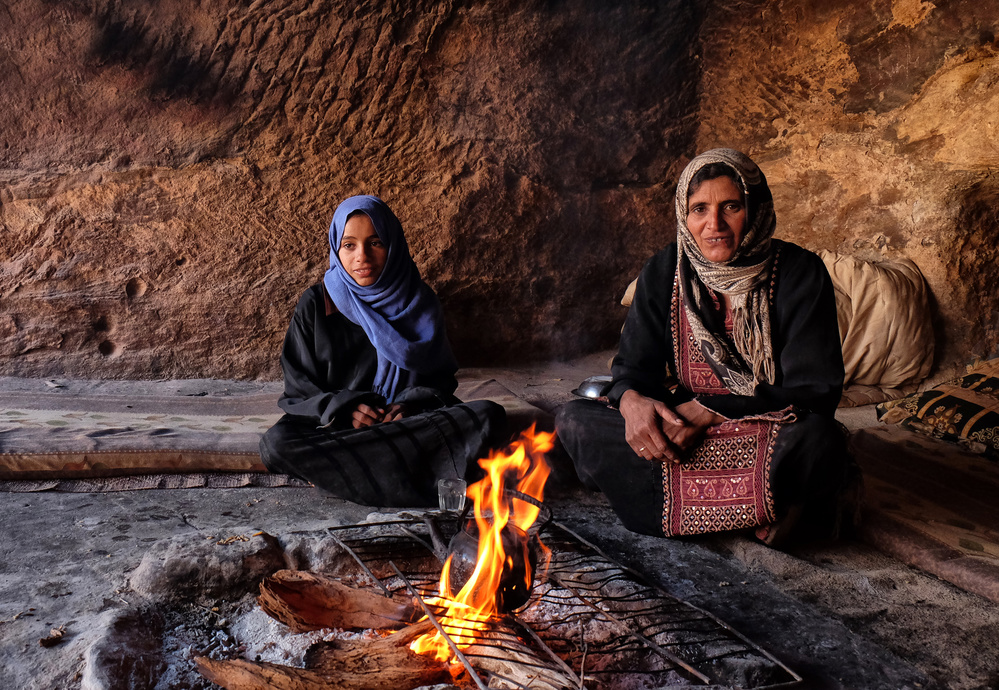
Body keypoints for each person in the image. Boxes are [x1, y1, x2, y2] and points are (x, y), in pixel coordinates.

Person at [555, 149, 849, 543]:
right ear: (683, 215)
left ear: (755, 208)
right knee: (576, 420)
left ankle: (663, 498)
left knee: (819, 440)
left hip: (760, 425)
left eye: (731, 206)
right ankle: (764, 508)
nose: (715, 225)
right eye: (699, 209)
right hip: (681, 431)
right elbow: (631, 369)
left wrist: (712, 410)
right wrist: (631, 403)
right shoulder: (664, 271)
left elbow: (817, 393)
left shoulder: (800, 273)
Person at [260, 195, 506, 506]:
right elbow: (299, 388)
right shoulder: (316, 304)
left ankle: (355, 478)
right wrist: (346, 409)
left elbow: (440, 381)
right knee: (277, 444)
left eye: (375, 242)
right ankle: (417, 481)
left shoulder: (419, 302)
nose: (362, 256)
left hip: (405, 426)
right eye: (349, 245)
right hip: (341, 429)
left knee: (488, 416)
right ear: (336, 248)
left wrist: (408, 406)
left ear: (393, 245)